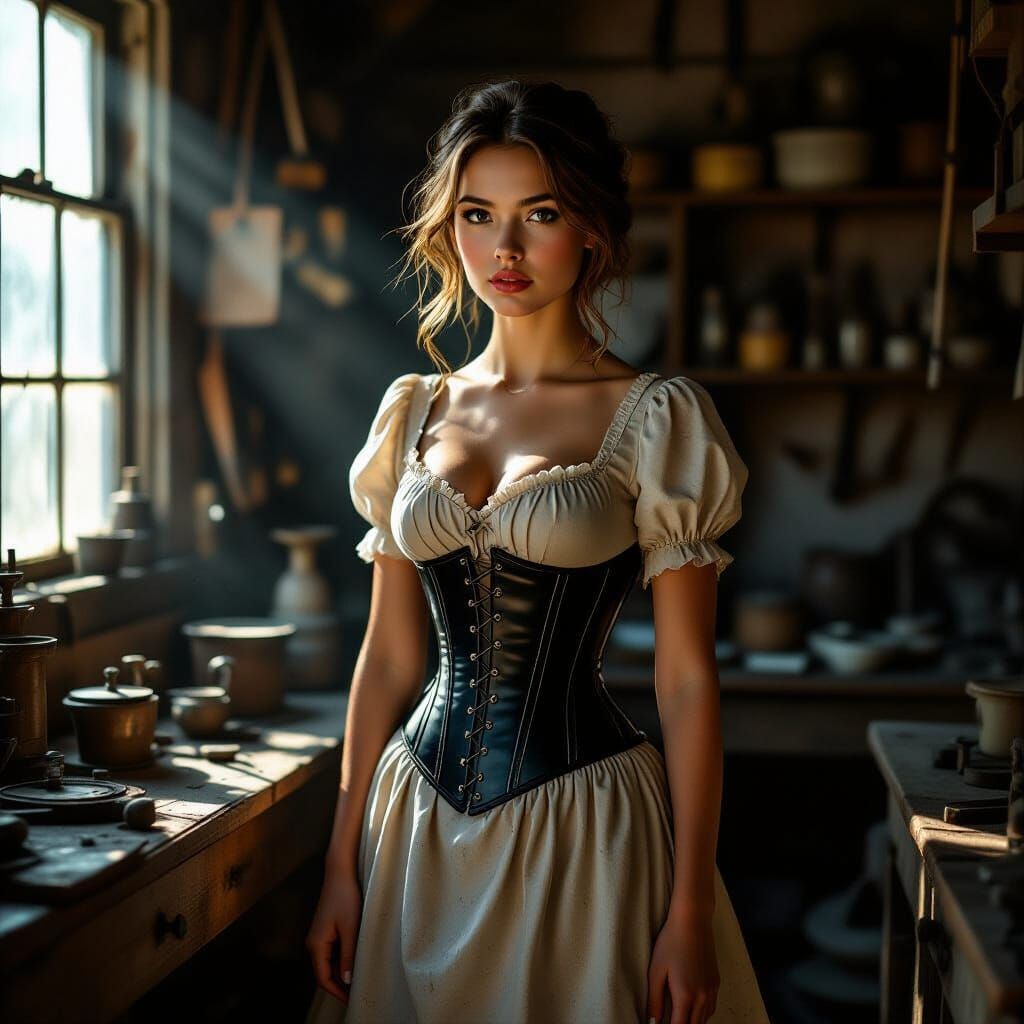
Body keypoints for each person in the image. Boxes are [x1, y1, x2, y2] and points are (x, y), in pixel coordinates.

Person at [305, 80, 770, 1024]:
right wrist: (340, 865)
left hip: (584, 828)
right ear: (451, 228)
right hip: (417, 825)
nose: (504, 250)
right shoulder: (411, 413)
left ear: (592, 229)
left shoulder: (656, 418)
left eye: (540, 214)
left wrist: (688, 907)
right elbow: (391, 656)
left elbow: (685, 685)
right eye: (478, 215)